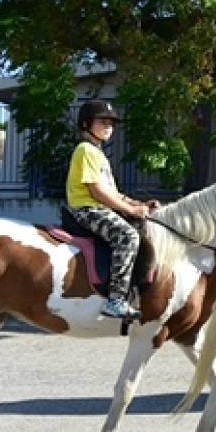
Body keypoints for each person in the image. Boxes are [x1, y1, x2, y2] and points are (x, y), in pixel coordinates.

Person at [66, 100, 160, 319]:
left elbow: (114, 193)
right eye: (102, 121)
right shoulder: (86, 150)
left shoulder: (98, 154)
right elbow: (97, 191)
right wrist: (130, 210)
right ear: (87, 123)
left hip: (99, 207)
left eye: (111, 123)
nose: (109, 126)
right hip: (87, 209)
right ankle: (115, 299)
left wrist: (139, 205)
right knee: (127, 236)